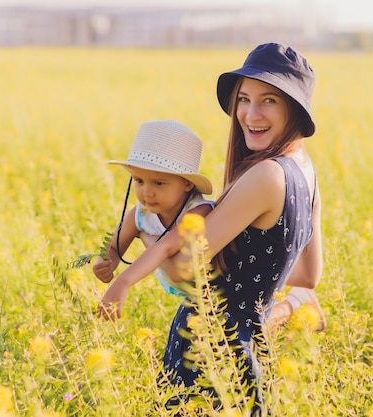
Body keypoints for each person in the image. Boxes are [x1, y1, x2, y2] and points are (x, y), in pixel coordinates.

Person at [96, 42, 323, 413]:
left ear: (294, 110)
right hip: (246, 344)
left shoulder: (266, 175)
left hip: (209, 347)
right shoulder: (307, 171)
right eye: (244, 98)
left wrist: (145, 227)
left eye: (269, 100)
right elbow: (309, 275)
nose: (250, 114)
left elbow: (187, 267)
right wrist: (285, 303)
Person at [92, 119, 214, 297]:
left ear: (187, 183)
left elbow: (166, 247)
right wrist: (103, 262)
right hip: (190, 296)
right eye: (139, 181)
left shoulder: (199, 212)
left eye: (159, 183)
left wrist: (123, 282)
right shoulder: (140, 213)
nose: (147, 193)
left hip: (219, 292)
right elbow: (113, 246)